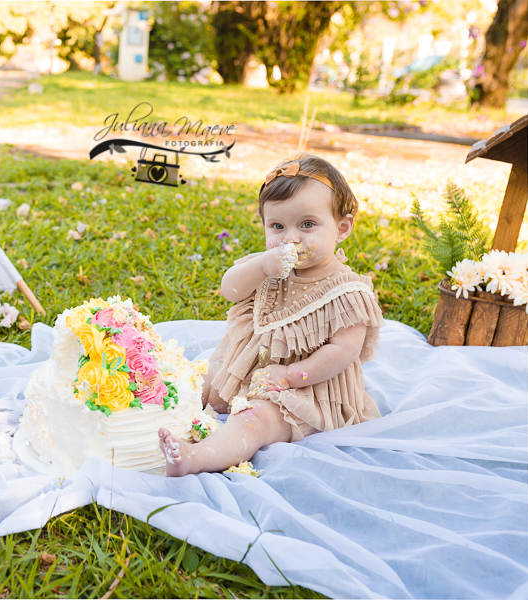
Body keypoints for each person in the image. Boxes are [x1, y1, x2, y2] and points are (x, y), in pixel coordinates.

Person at [159, 154, 383, 476]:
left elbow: (343, 352)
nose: (290, 238)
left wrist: (290, 377)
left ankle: (194, 458)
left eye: (307, 224)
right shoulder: (269, 265)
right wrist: (261, 266)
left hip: (304, 390)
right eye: (277, 226)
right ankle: (136, 420)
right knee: (198, 383)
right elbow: (230, 290)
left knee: (256, 419)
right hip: (251, 370)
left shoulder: (346, 292)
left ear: (342, 228)